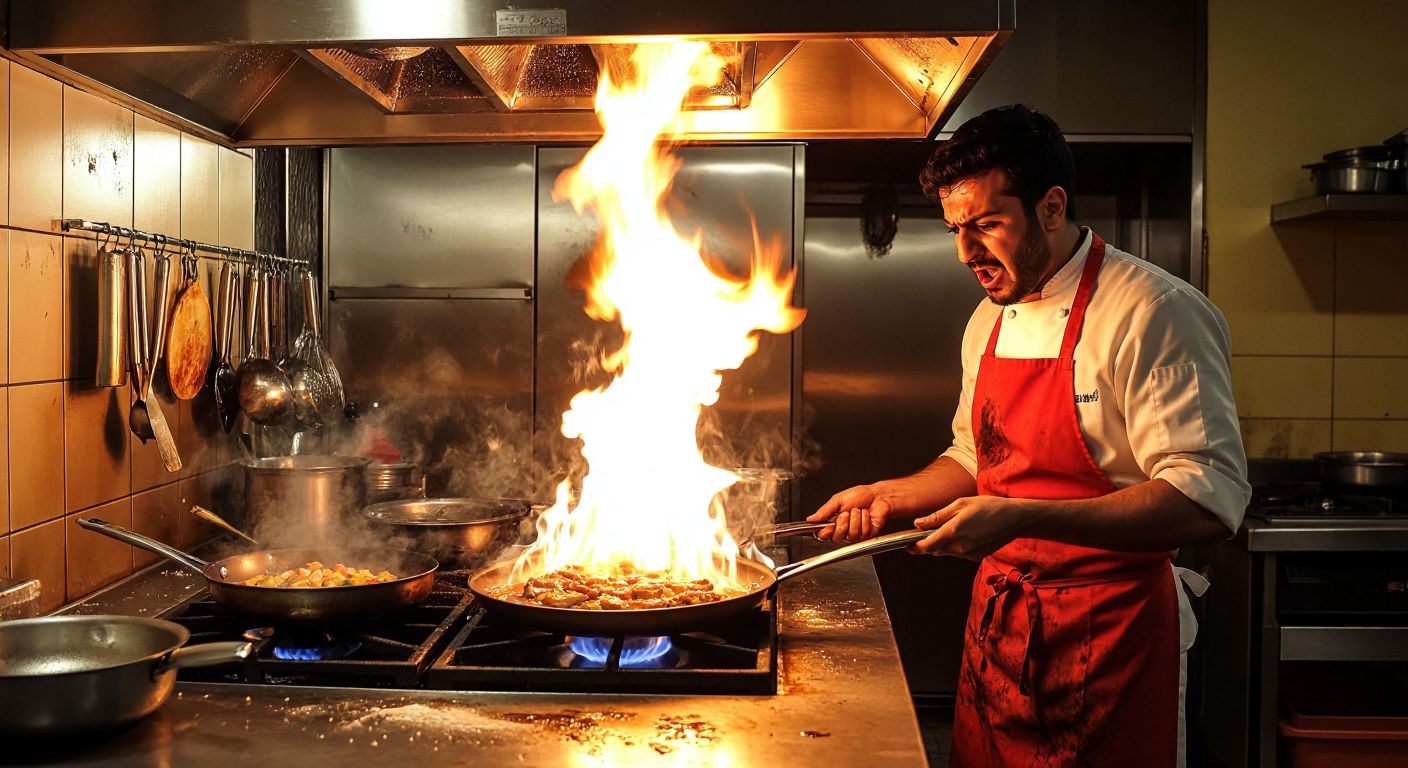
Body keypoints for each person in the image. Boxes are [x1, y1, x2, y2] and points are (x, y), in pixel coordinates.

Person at [806, 104, 1249, 768]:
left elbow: (1206, 500)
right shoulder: (989, 319)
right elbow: (973, 455)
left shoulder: (1153, 311)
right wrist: (895, 494)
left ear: (1051, 206)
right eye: (956, 228)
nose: (966, 252)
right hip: (1001, 637)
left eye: (986, 224)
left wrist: (1017, 518)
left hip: (1110, 639)